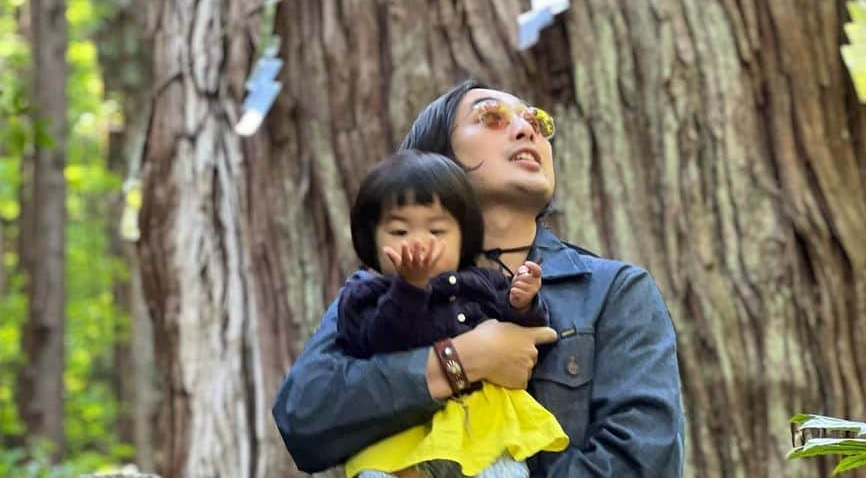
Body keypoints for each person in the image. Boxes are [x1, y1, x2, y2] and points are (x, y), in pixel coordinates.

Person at [273, 80, 685, 476]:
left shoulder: (613, 291)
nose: (526, 129)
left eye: (536, 121)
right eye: (491, 116)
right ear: (434, 162)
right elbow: (305, 416)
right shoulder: (380, 288)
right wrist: (466, 360)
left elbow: (643, 462)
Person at [336, 149, 568, 476]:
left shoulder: (482, 283)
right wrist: (409, 289)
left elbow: (524, 343)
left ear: (464, 238)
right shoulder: (364, 295)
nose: (419, 243)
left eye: (436, 231)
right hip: (399, 440)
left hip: (484, 430)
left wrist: (522, 303)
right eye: (400, 232)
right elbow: (377, 341)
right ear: (370, 241)